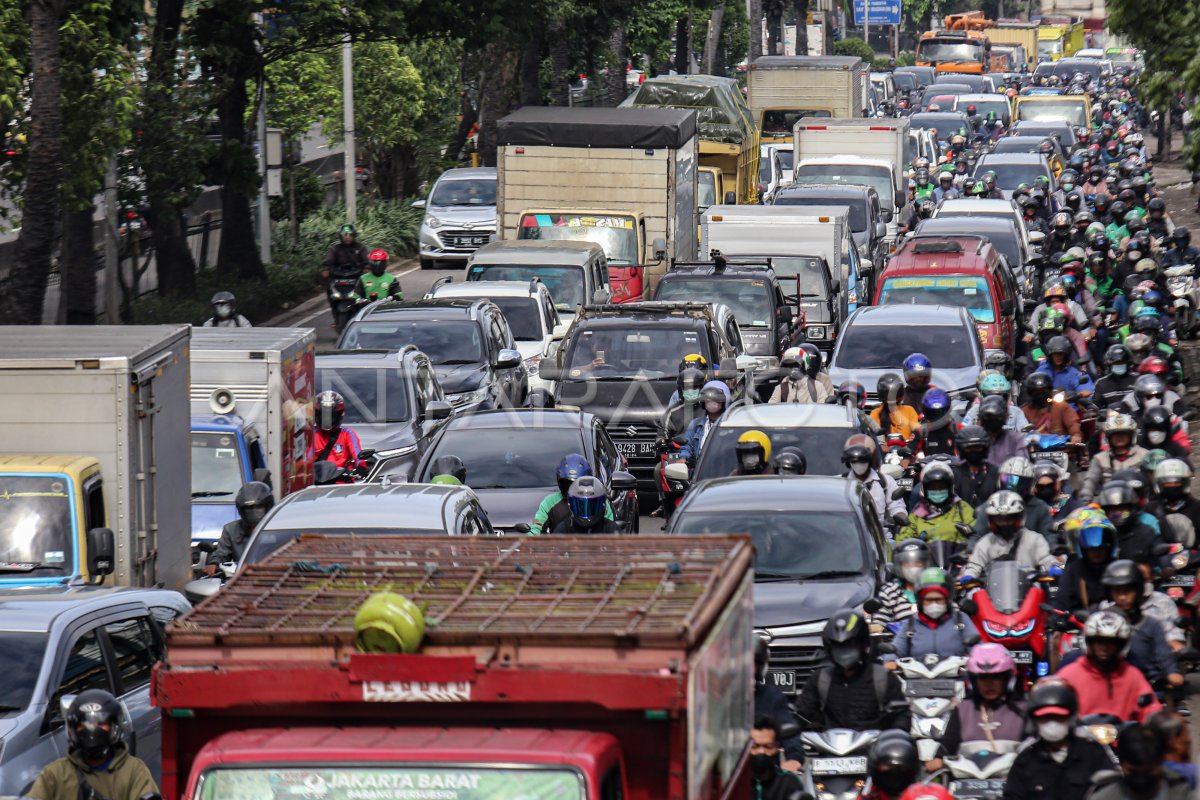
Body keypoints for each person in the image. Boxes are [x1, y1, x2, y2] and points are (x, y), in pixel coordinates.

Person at [29, 689, 158, 800]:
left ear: (114, 727)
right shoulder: (55, 774)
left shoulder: (134, 771)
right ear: (73, 729)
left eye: (100, 724)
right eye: (84, 724)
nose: (92, 730)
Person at [794, 610, 910, 732]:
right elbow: (801, 713)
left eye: (849, 645)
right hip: (830, 747)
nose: (844, 652)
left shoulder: (883, 678)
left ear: (862, 644)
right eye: (838, 647)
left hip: (873, 747)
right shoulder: (820, 679)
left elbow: (901, 715)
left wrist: (894, 736)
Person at [1002, 678, 1117, 800]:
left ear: (1071, 718)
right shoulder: (1025, 760)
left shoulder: (1093, 754)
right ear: (1035, 722)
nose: (1052, 723)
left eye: (1058, 718)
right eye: (1045, 718)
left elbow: (1112, 791)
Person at [928, 644, 1025, 772]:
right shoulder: (962, 709)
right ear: (973, 680)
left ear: (1007, 678)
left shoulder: (1023, 710)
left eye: (996, 677)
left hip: (1011, 782)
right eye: (983, 678)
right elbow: (948, 745)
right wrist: (938, 758)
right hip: (966, 783)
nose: (989, 684)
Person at [1056, 609, 1163, 722]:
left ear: (1121, 645)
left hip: (1122, 738)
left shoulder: (1132, 675)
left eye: (1111, 643)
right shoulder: (1069, 675)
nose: (1105, 648)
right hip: (1079, 736)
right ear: (1089, 643)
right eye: (1099, 642)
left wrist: (1157, 721)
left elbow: (1150, 709)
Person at [1098, 559, 1182, 688]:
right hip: (1111, 681)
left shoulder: (1150, 624)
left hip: (1148, 682)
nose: (1122, 597)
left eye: (1127, 591)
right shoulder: (1101, 619)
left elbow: (1163, 652)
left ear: (1138, 590)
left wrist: (1172, 672)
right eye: (1117, 592)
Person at [885, 567, 979, 664]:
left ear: (947, 599)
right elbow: (896, 650)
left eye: (938, 599)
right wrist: (890, 661)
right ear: (920, 601)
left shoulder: (961, 620)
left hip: (956, 677)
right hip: (917, 678)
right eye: (928, 600)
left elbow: (978, 650)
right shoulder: (911, 624)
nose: (934, 604)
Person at [966, 491, 1058, 576]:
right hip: (995, 590)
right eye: (999, 519)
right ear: (991, 520)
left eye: (1009, 518)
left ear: (1019, 517)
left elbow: (1046, 559)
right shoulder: (985, 543)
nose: (1004, 523)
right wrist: (969, 576)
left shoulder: (1034, 539)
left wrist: (1054, 567)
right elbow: (974, 566)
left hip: (1029, 589)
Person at [1089, 724, 1191, 799]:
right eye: (1133, 770)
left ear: (1161, 762)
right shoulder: (1103, 797)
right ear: (1121, 764)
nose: (1141, 779)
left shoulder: (1187, 795)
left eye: (1150, 770)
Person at [1053, 509, 1119, 612]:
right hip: (1080, 624)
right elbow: (1061, 600)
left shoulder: (1118, 568)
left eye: (1101, 549)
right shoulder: (1074, 570)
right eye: (1091, 549)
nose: (1096, 553)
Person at [530, 454, 614, 534]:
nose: (573, 490)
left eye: (577, 485)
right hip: (561, 546)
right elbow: (536, 529)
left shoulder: (599, 501)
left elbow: (610, 529)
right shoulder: (550, 503)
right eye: (568, 485)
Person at [897, 461, 975, 544]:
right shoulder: (916, 514)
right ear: (924, 490)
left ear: (950, 488)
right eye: (933, 488)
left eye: (942, 487)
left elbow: (975, 534)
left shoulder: (962, 509)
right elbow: (904, 541)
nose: (937, 491)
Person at [206, 481, 274, 574]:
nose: (254, 514)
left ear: (268, 507)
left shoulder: (279, 529)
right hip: (241, 579)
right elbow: (221, 553)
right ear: (242, 511)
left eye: (259, 508)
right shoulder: (231, 530)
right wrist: (214, 563)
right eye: (249, 510)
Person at [843, 438, 907, 532]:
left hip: (882, 538)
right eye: (854, 461)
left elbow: (897, 506)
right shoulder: (839, 483)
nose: (858, 464)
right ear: (849, 462)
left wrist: (900, 515)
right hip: (849, 537)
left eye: (862, 460)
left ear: (871, 459)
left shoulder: (886, 482)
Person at [754, 639, 803, 759]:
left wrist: (794, 759)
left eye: (753, 664)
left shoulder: (772, 697)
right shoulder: (722, 698)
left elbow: (788, 727)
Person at [1082, 413, 1148, 500]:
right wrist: (1085, 500)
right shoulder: (1100, 458)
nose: (1119, 438)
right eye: (1115, 435)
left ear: (1131, 436)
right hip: (1110, 502)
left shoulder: (1144, 455)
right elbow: (1090, 481)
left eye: (1123, 434)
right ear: (1108, 437)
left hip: (1139, 500)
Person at [1097, 481, 1158, 565]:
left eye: (1122, 510)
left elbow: (1159, 553)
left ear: (1131, 509)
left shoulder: (1146, 532)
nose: (1118, 514)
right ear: (1105, 512)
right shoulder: (1100, 535)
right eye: (1113, 511)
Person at [749, 716, 806, 800]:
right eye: (755, 746)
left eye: (768, 747)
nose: (761, 751)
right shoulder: (736, 783)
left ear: (777, 747)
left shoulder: (788, 783)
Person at [872, 539, 927, 625]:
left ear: (926, 564)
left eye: (918, 562)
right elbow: (878, 624)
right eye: (907, 563)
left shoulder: (937, 589)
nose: (913, 567)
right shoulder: (889, 592)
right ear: (899, 565)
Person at [323, 223, 369, 317]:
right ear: (341, 236)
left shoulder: (361, 248)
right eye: (345, 235)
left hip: (357, 277)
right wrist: (326, 269)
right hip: (338, 277)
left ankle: (366, 313)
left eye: (350, 235)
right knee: (329, 289)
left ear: (354, 235)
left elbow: (367, 260)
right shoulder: (334, 249)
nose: (347, 237)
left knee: (368, 289)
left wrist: (367, 268)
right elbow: (329, 261)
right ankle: (335, 315)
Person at [1022, 372, 1083, 444]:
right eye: (1036, 392)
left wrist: (1076, 435)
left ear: (1049, 390)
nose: (1040, 395)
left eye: (1043, 391)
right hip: (1033, 449)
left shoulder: (1061, 406)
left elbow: (1073, 423)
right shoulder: (1024, 411)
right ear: (1030, 393)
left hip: (1060, 449)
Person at [678, 381, 729, 463]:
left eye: (716, 400)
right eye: (708, 400)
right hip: (700, 470)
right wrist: (683, 458)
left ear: (723, 402)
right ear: (703, 403)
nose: (712, 403)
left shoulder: (730, 424)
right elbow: (687, 445)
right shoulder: (695, 424)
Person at [314, 390, 364, 472]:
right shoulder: (310, 435)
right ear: (317, 415)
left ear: (340, 415)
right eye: (323, 416)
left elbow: (358, 456)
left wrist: (360, 467)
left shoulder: (348, 434)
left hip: (342, 482)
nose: (327, 420)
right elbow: (301, 460)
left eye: (331, 416)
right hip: (316, 482)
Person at [547, 476, 617, 533]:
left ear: (603, 505)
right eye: (582, 505)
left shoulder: (610, 529)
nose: (586, 511)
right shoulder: (564, 529)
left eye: (591, 506)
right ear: (570, 505)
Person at [862, 733, 921, 800]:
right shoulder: (869, 795)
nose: (895, 771)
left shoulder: (923, 795)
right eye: (888, 766)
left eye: (901, 767)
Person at [953, 425, 1000, 508]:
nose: (973, 451)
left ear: (985, 448)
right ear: (961, 449)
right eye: (969, 448)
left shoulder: (995, 473)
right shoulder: (955, 474)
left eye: (977, 447)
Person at [1147, 711, 1196, 790]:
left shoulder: (1141, 772)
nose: (1188, 739)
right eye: (1186, 733)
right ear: (1174, 742)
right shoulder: (1192, 774)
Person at [978, 395, 1029, 467]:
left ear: (1005, 417)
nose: (993, 420)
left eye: (996, 417)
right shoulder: (976, 439)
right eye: (988, 417)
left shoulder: (1015, 439)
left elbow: (1023, 464)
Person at [871, 373, 921, 447]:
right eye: (888, 396)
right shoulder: (876, 413)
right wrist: (882, 446)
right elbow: (876, 434)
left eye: (895, 395)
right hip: (885, 453)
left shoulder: (909, 410)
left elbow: (916, 431)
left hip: (907, 451)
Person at [919, 388, 957, 457]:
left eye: (940, 412)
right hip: (928, 466)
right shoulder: (921, 431)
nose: (937, 417)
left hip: (953, 467)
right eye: (932, 413)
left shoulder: (957, 428)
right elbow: (910, 452)